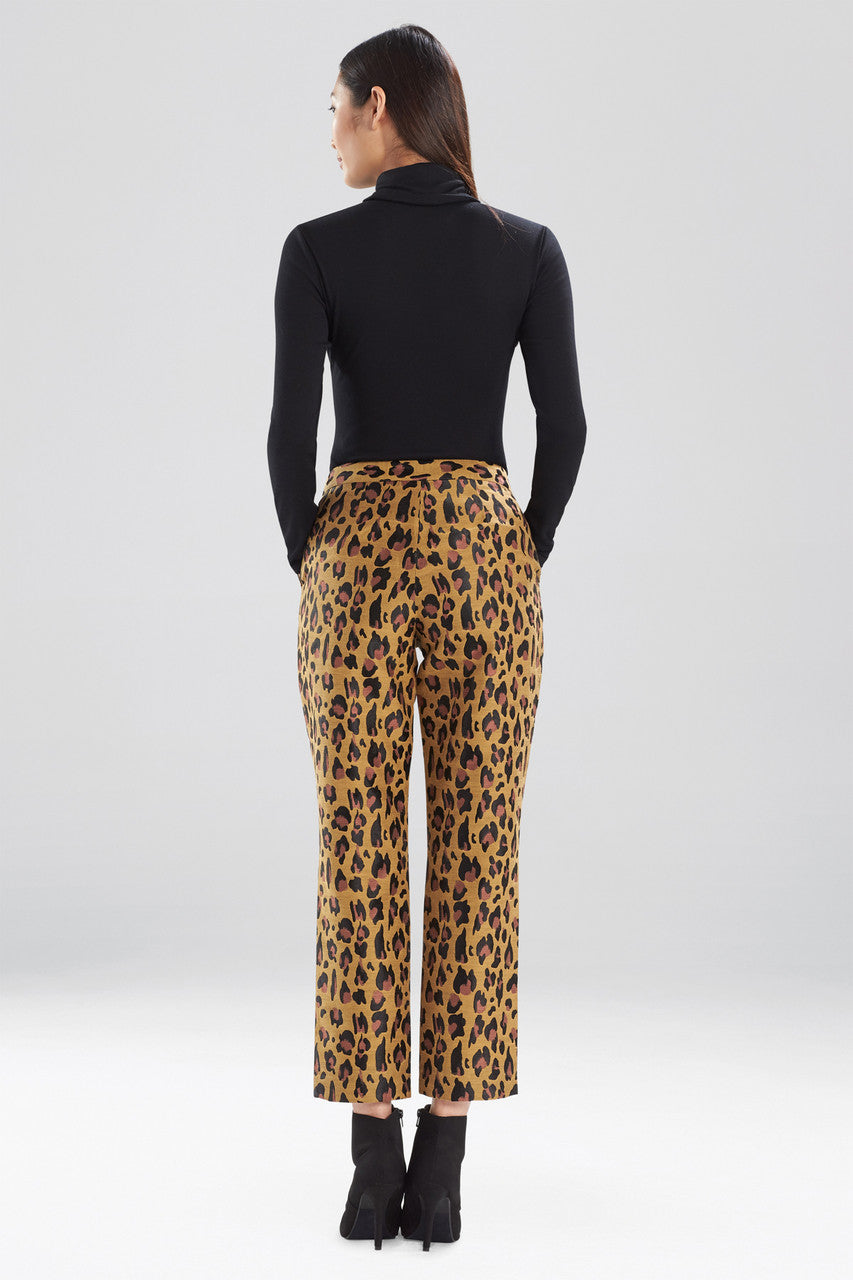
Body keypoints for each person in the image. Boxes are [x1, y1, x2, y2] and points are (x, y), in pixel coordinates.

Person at [266, 23, 587, 1251]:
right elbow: (565, 425)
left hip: (355, 554)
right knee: (476, 845)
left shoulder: (316, 249)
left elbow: (288, 433)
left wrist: (314, 555)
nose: (330, 133)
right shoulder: (527, 248)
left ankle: (369, 1160)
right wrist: (520, 546)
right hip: (480, 553)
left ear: (380, 107)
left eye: (334, 108)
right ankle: (443, 1165)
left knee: (358, 842)